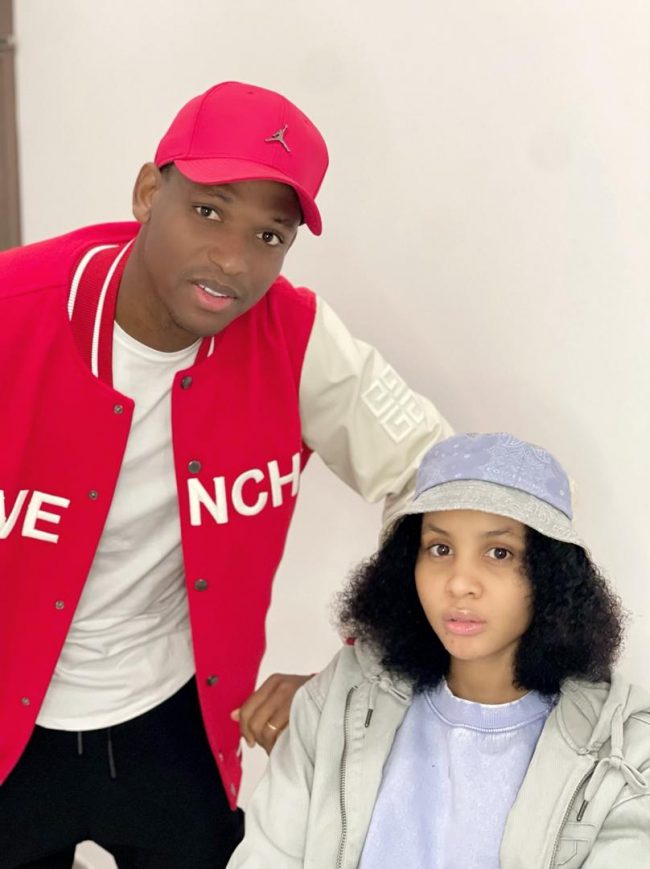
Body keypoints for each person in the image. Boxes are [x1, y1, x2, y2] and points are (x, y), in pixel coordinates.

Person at [0, 81, 453, 868]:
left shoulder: (296, 336)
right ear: (150, 193)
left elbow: (444, 477)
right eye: (209, 210)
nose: (234, 259)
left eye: (270, 235)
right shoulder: (16, 307)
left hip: (175, 722)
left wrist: (369, 661)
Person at [228, 432, 650, 868]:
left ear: (551, 573)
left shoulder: (627, 751)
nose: (459, 582)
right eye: (440, 548)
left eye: (499, 553)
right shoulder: (337, 698)